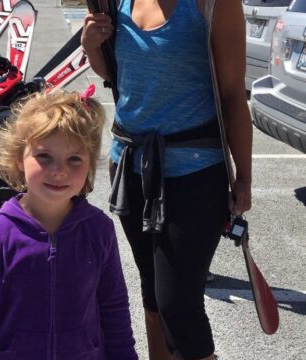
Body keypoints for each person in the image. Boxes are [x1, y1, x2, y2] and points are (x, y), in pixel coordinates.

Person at [81, 0, 253, 360]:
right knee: (153, 294)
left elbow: (234, 94)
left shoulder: (214, 5)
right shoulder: (117, 3)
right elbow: (114, 76)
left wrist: (243, 179)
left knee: (179, 305)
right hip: (130, 165)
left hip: (195, 172)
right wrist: (91, 46)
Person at [0, 88, 138, 359]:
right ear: (19, 158)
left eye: (74, 158)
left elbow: (114, 310)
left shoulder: (99, 230)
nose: (59, 170)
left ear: (89, 164)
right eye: (44, 156)